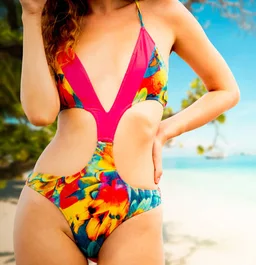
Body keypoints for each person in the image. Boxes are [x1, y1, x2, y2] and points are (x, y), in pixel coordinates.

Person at [13, 0, 240, 263]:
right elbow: (40, 114)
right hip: (50, 200)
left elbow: (226, 90)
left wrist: (164, 131)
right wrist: (30, 14)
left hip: (135, 208)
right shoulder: (56, 19)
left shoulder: (166, 12)